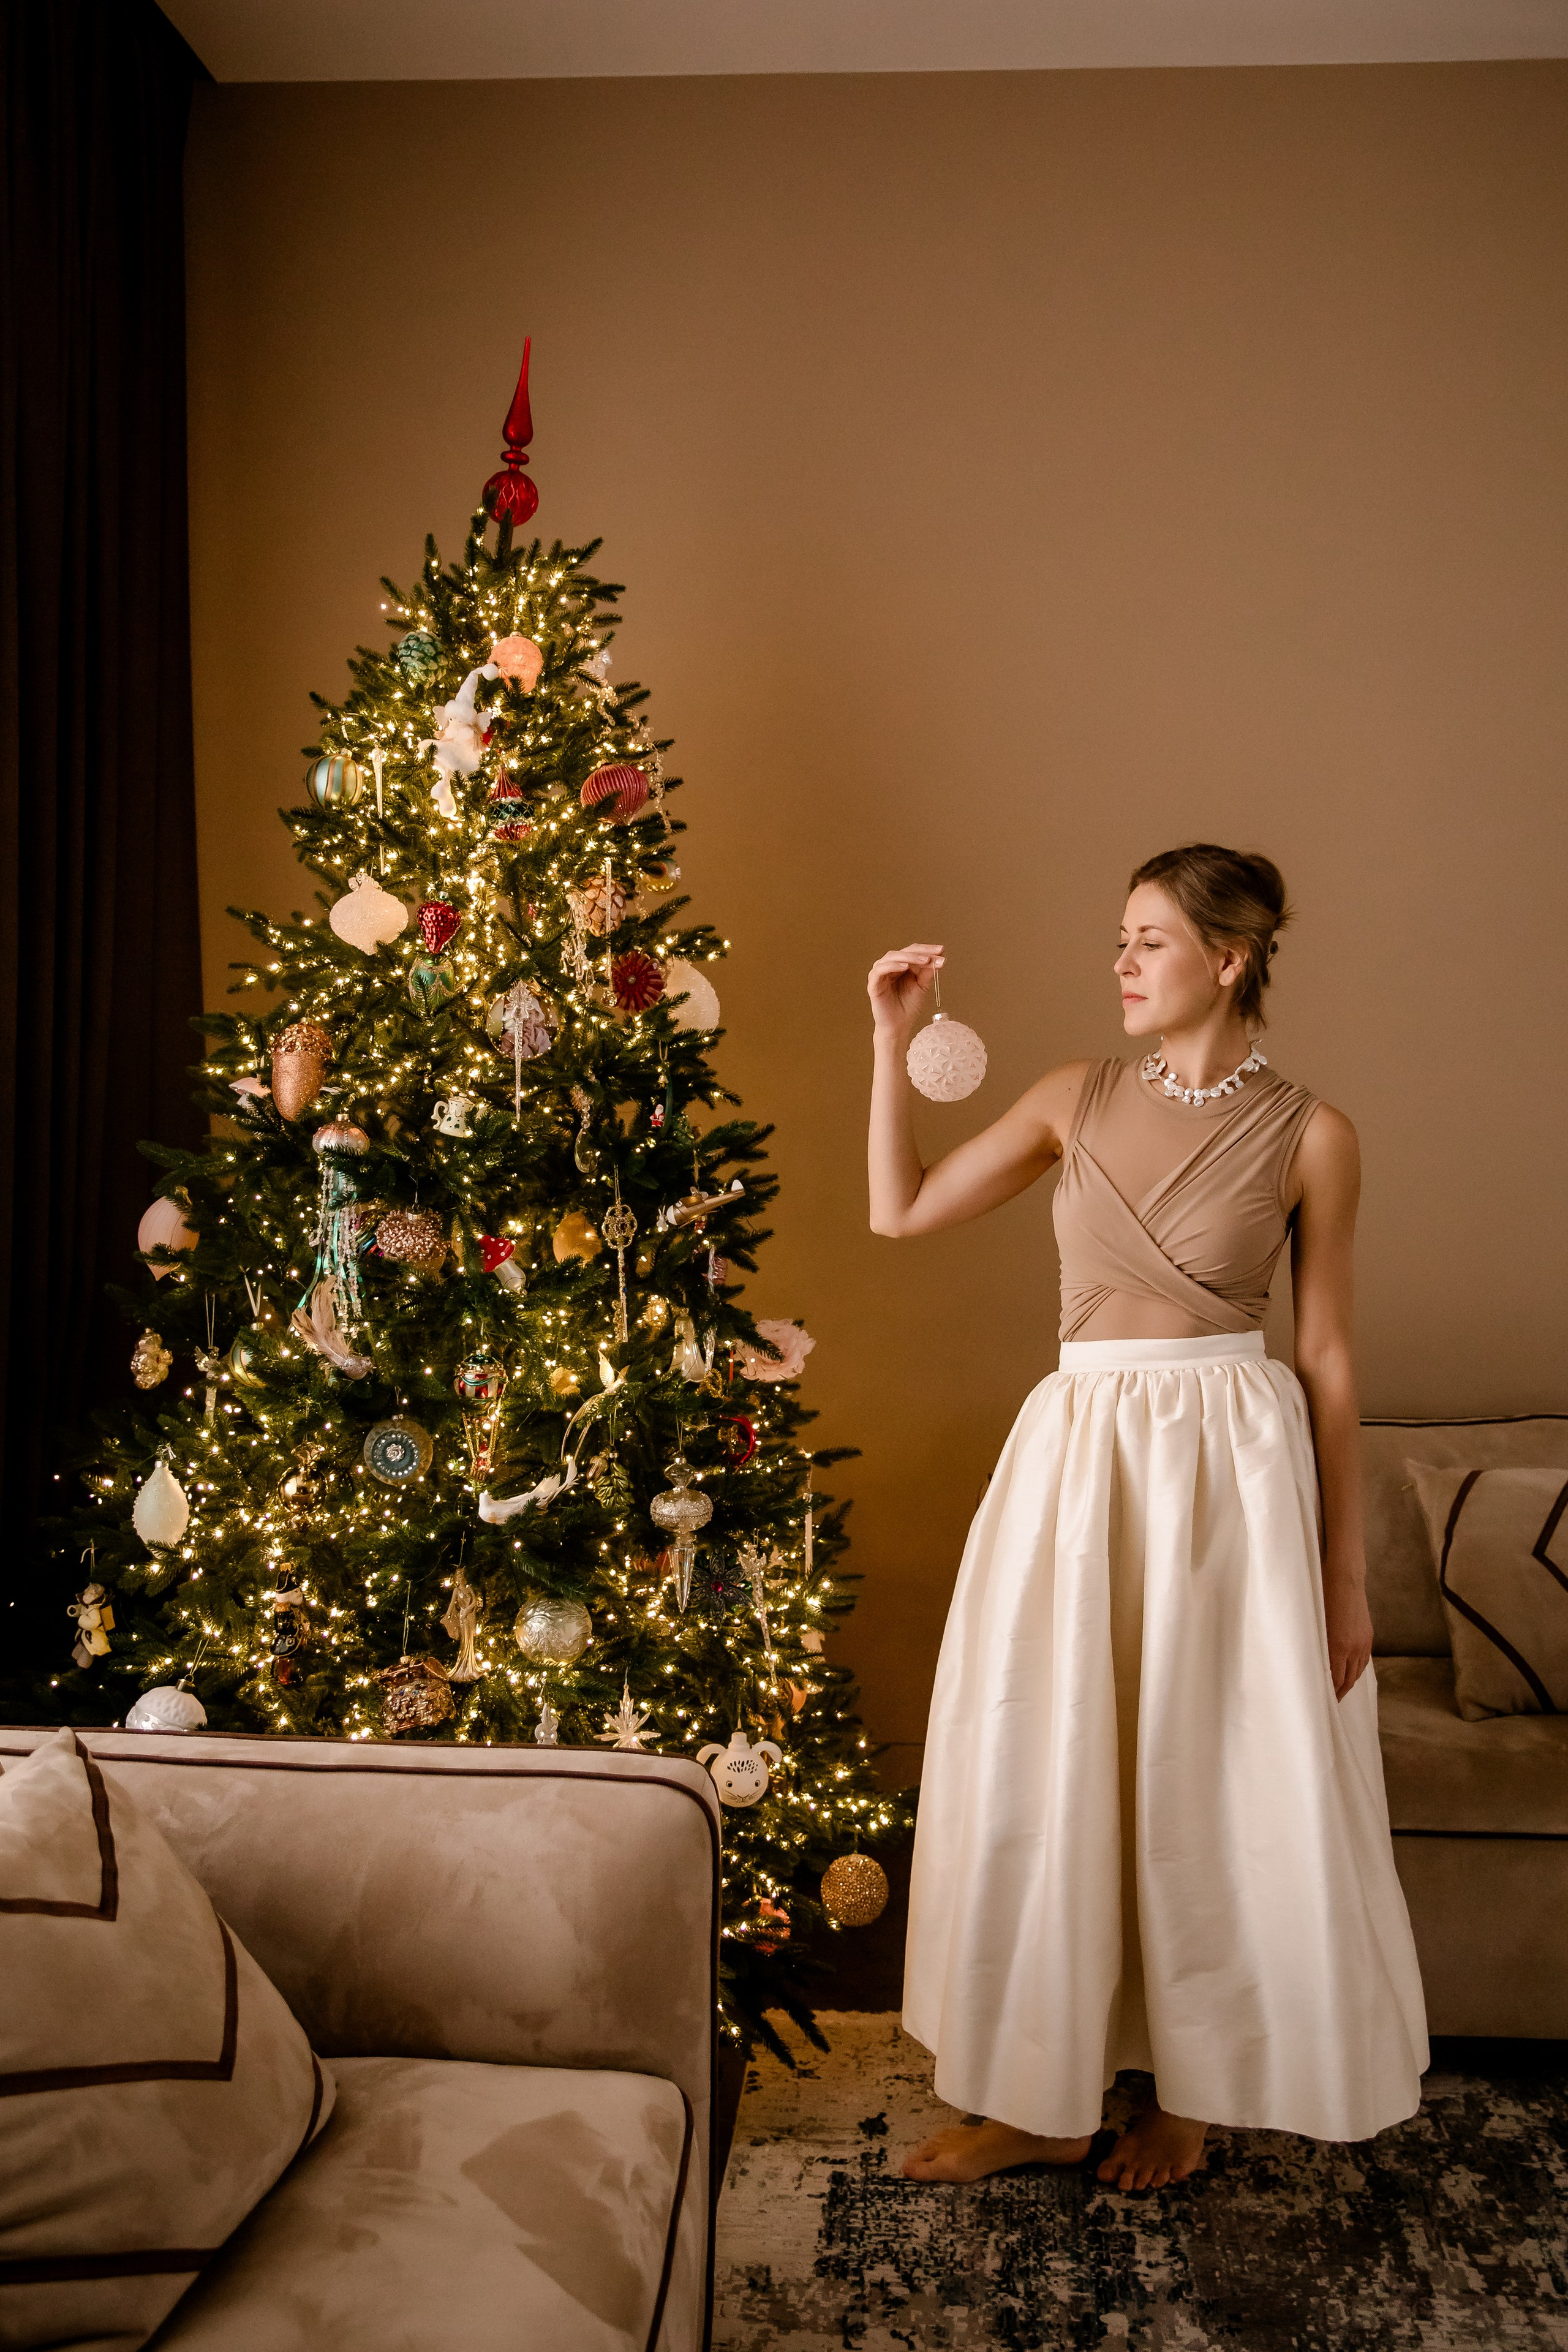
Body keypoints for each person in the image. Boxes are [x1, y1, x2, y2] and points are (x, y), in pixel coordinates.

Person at [866, 844, 1427, 2194]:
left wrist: (1343, 1573)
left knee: (1204, 1780)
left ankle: (1187, 2097)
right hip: (1076, 1459)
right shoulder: (1071, 1096)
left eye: (1148, 941)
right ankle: (1044, 2102)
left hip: (1228, 1470)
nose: (1118, 964)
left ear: (1226, 961)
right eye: (1116, 939)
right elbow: (897, 1213)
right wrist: (887, 1049)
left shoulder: (1312, 1134)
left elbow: (1331, 1357)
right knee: (1046, 1767)